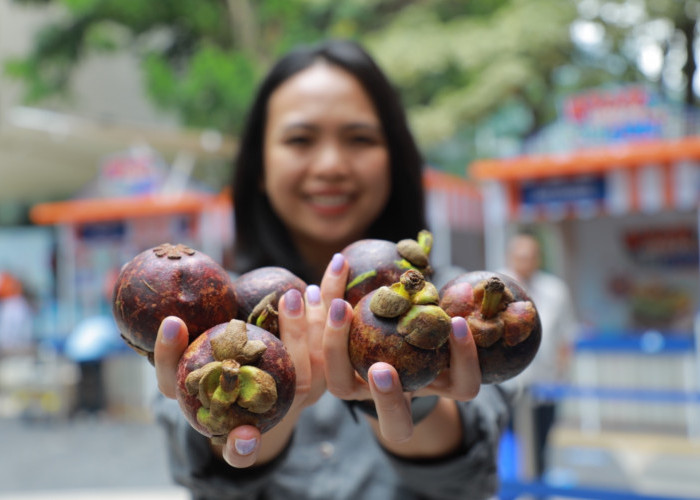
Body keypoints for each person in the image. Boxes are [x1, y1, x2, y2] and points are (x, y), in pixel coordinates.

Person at [152, 39, 515, 499]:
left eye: (360, 138)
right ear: (259, 165)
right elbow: (207, 479)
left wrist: (415, 397)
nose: (331, 165)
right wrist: (261, 412)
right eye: (300, 139)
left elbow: (468, 479)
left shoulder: (459, 306)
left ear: (394, 159)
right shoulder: (202, 313)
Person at [501, 231, 578, 480]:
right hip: (506, 386)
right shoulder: (496, 285)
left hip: (544, 384)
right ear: (510, 257)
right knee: (506, 449)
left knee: (540, 447)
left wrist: (562, 374)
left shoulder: (555, 290)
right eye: (520, 256)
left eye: (530, 256)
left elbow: (566, 336)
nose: (525, 261)